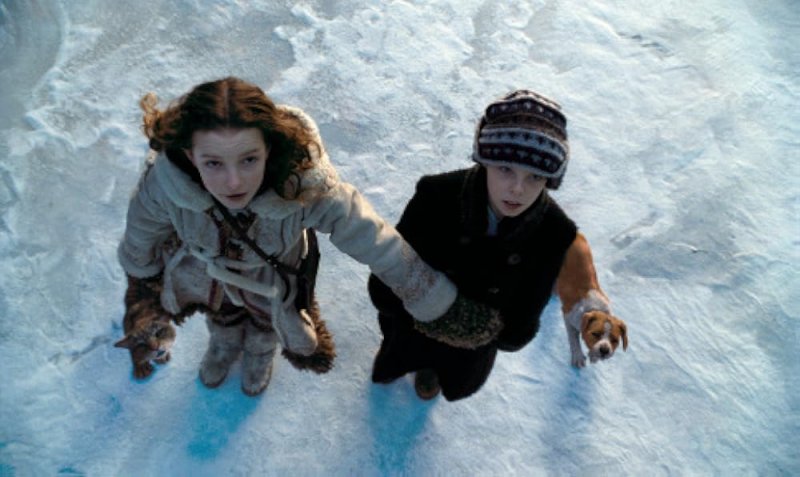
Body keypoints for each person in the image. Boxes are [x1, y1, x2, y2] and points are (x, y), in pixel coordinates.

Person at [116, 76, 494, 396]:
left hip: (273, 278)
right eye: (213, 163)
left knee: (268, 322)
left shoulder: (302, 186)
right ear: (190, 155)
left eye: (249, 160)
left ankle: (260, 355)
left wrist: (438, 303)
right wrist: (142, 287)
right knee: (223, 314)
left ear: (269, 148)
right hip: (208, 276)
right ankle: (223, 345)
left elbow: (373, 239)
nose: (233, 181)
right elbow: (141, 233)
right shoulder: (166, 185)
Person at [369, 89, 579, 401]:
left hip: (471, 347)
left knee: (452, 369)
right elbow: (393, 267)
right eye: (505, 169)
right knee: (401, 354)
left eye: (535, 177)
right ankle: (407, 365)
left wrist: (485, 330)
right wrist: (419, 308)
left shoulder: (555, 232)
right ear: (485, 160)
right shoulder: (437, 196)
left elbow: (526, 310)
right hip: (413, 323)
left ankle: (432, 373)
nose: (518, 189)